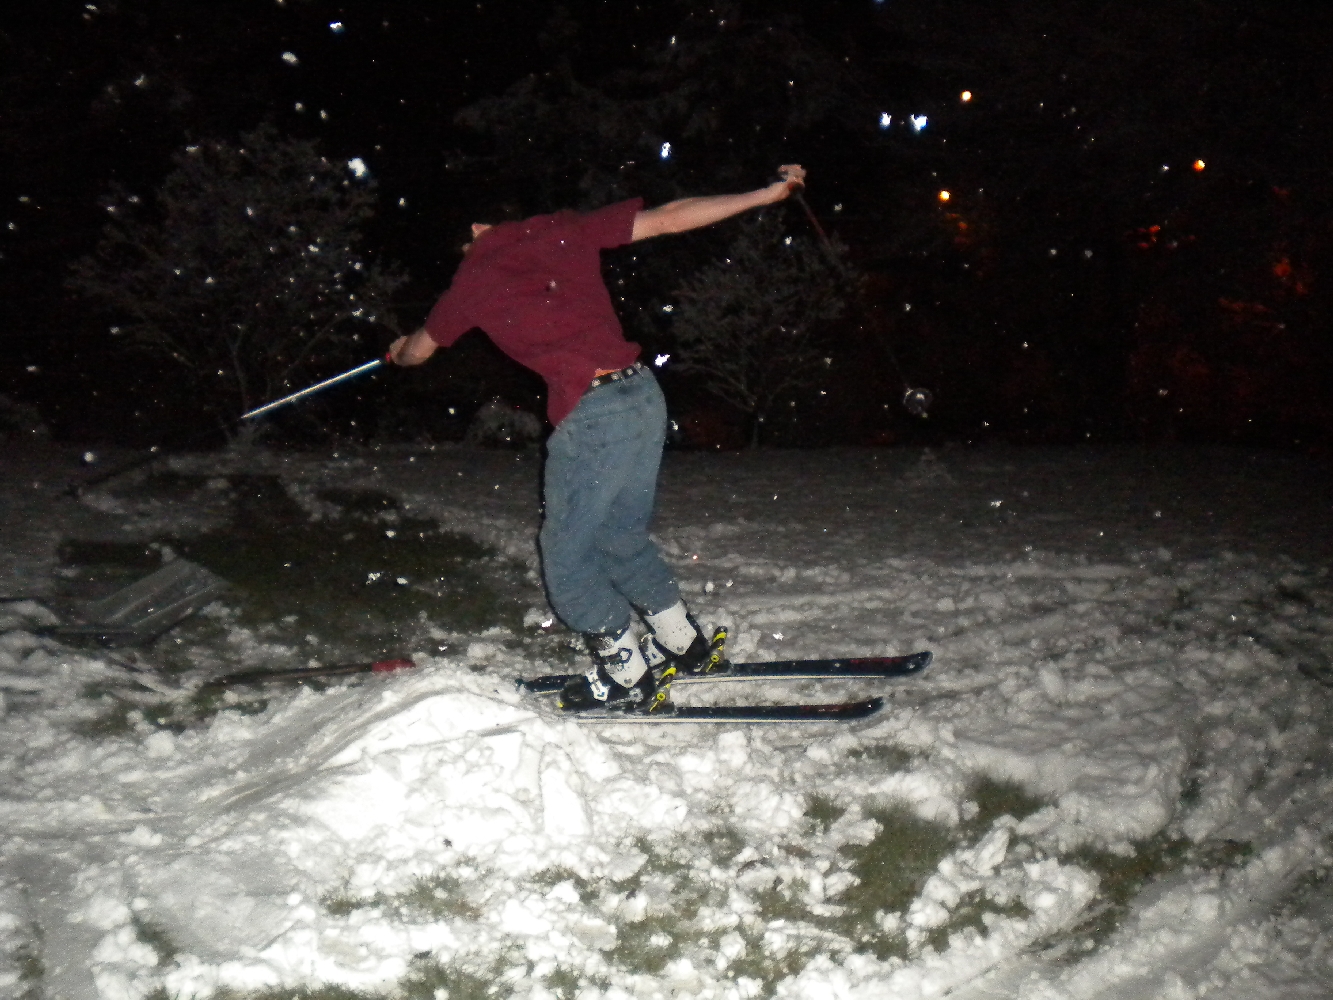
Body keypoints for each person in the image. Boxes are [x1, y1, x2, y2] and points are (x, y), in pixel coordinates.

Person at [389, 164, 808, 712]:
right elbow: (668, 219)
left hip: (595, 415)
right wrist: (765, 192)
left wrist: (399, 351)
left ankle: (625, 670)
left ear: (470, 231)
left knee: (565, 554)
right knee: (620, 536)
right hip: (642, 397)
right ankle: (684, 644)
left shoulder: (472, 281)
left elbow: (419, 350)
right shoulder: (559, 230)